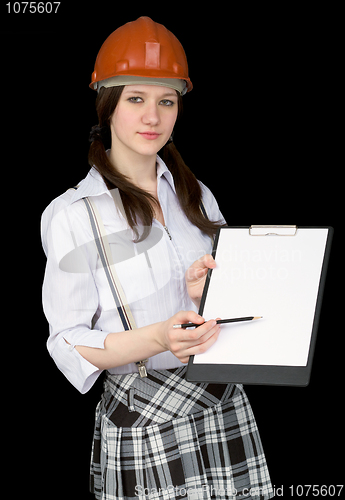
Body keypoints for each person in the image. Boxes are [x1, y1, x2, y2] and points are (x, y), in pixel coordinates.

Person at [41, 16, 274, 500]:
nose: (153, 117)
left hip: (222, 403)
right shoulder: (72, 215)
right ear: (107, 105)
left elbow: (233, 303)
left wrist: (205, 291)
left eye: (166, 101)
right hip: (144, 417)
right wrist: (158, 336)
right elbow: (68, 342)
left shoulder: (197, 195)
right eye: (136, 99)